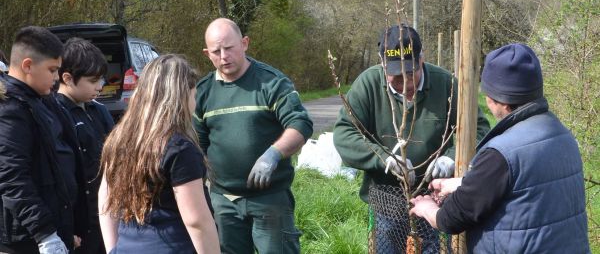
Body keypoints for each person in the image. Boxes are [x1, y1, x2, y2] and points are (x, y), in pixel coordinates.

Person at [410, 43, 591, 253]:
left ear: (497, 100)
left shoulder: (500, 153)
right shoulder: (561, 135)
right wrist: (462, 183)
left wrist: (427, 208)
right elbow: (525, 184)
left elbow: (451, 218)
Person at [333, 24, 490, 253]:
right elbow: (345, 134)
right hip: (387, 201)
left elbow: (480, 130)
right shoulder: (367, 85)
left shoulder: (447, 85)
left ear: (422, 59)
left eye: (410, 73)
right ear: (382, 64)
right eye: (395, 75)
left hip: (435, 200)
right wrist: (384, 158)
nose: (404, 82)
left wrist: (451, 158)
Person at [194, 18, 313, 254]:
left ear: (245, 43)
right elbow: (198, 143)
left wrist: (273, 154)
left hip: (270, 199)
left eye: (229, 48)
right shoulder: (202, 92)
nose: (224, 56)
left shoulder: (271, 82)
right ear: (207, 54)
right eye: (216, 51)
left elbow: (300, 123)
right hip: (223, 202)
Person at [98, 54, 219, 254]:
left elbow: (106, 197)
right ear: (181, 96)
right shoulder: (179, 148)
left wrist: (113, 249)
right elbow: (196, 220)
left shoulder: (119, 139)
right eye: (193, 96)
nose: (194, 104)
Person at [0, 26, 88, 254]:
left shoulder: (43, 99)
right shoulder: (10, 110)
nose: (57, 77)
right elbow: (13, 179)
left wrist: (70, 226)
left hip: (56, 226)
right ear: (27, 65)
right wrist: (45, 233)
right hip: (28, 239)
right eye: (52, 70)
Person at [57, 37, 115, 254]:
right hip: (77, 224)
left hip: (105, 214)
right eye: (93, 81)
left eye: (101, 80)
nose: (100, 87)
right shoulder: (54, 115)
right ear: (68, 78)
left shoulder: (98, 110)